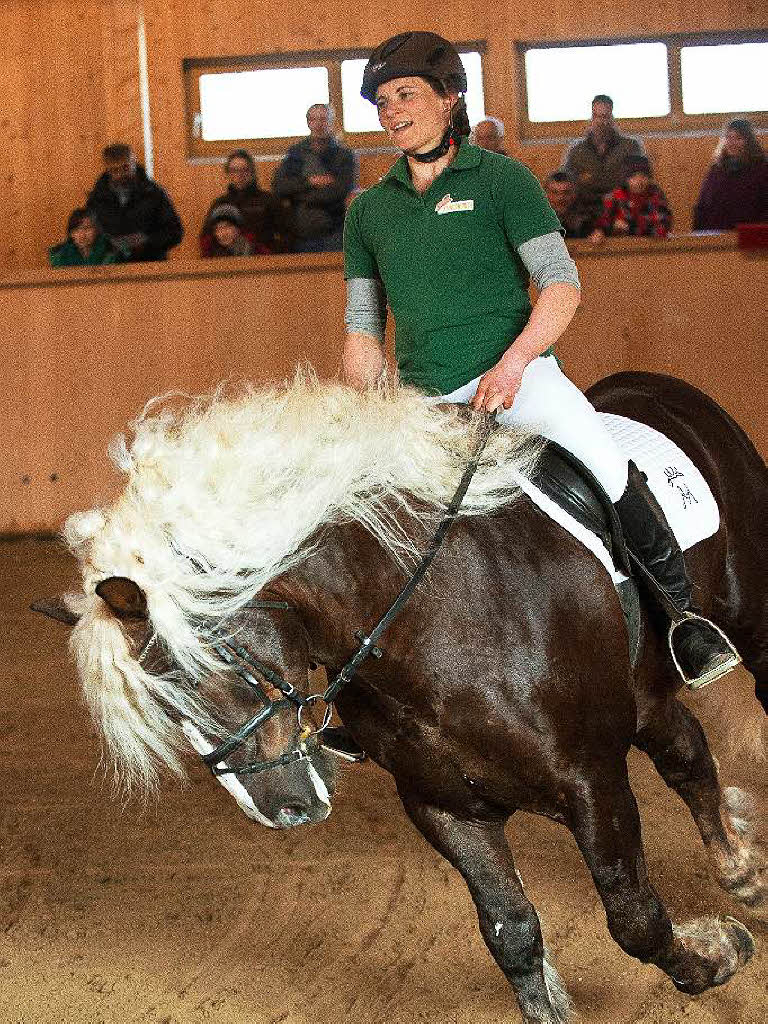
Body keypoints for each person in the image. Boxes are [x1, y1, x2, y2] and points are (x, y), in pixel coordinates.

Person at [342, 31, 738, 692]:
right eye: (382, 100)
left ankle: (682, 620)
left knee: (606, 464)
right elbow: (361, 328)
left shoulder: (503, 181)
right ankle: (367, 686)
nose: (390, 110)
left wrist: (515, 364)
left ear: (449, 98)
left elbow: (560, 286)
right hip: (421, 401)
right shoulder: (369, 212)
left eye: (405, 94)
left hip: (519, 379)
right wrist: (362, 405)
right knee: (366, 516)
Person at [272, 104, 358, 252]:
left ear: (331, 122)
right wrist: (311, 181)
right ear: (308, 122)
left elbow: (341, 190)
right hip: (300, 231)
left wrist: (300, 196)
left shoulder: (344, 156)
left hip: (334, 228)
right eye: (314, 119)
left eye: (323, 119)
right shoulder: (296, 154)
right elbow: (280, 186)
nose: (319, 124)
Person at [86, 143, 183, 262]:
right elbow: (88, 235)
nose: (121, 174)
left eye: (126, 167)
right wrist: (108, 245)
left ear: (134, 162)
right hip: (110, 268)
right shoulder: (96, 200)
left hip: (150, 265)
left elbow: (175, 232)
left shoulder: (154, 194)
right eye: (115, 170)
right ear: (107, 170)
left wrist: (145, 241)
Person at [561, 95, 645, 230]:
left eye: (605, 116)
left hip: (622, 212)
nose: (600, 121)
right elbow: (567, 187)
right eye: (596, 116)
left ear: (612, 117)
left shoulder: (630, 147)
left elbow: (640, 182)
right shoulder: (576, 152)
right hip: (585, 214)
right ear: (591, 118)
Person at [200, 149, 287, 255]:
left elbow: (285, 234)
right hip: (226, 262)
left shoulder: (269, 200)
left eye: (244, 169)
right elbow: (206, 237)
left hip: (262, 260)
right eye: (234, 170)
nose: (239, 174)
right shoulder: (220, 204)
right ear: (228, 173)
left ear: (252, 172)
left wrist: (271, 254)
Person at [693, 119, 768, 231]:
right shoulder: (716, 169)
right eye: (728, 137)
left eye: (738, 138)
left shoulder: (761, 169)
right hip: (716, 235)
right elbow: (702, 205)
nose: (732, 143)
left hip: (750, 237)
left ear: (749, 141)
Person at [590, 156, 672, 241]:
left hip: (650, 250)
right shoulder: (614, 196)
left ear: (649, 178)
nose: (639, 181)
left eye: (643, 176)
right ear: (626, 179)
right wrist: (602, 231)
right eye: (633, 177)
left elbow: (661, 230)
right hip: (618, 250)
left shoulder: (656, 196)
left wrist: (629, 227)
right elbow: (601, 223)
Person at [48, 208, 123, 267]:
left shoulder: (110, 250)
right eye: (76, 230)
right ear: (71, 234)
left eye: (87, 228)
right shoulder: (60, 255)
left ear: (97, 230)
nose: (82, 235)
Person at [201, 203, 268, 257]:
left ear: (238, 229)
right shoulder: (210, 255)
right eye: (218, 229)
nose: (223, 233)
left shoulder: (257, 250)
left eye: (227, 227)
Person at [544, 171, 594, 238]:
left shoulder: (586, 217)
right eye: (554, 192)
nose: (560, 198)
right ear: (546, 194)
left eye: (566, 192)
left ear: (574, 194)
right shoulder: (535, 219)